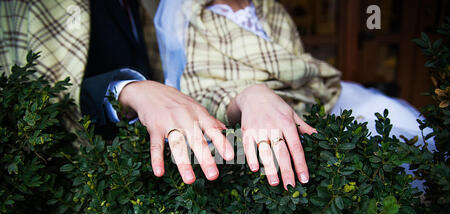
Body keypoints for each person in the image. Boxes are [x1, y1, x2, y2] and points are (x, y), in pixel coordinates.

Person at [154, 0, 433, 191]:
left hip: (312, 93)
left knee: (406, 127)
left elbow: (295, 61)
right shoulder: (191, 18)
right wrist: (250, 94)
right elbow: (199, 90)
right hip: (254, 108)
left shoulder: (268, 7)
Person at [0, 0, 235, 186]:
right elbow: (45, 92)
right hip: (78, 176)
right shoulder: (45, 8)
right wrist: (127, 90)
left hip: (139, 163)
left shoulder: (139, 8)